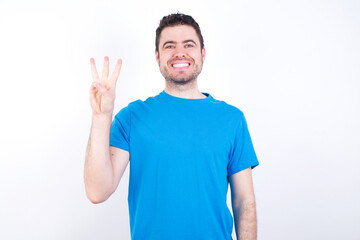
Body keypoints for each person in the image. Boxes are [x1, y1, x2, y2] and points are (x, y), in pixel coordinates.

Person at [85, 13, 259, 240]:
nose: (180, 52)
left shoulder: (232, 119)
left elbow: (244, 201)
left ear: (202, 53)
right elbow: (97, 191)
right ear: (157, 56)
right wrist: (101, 116)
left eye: (189, 44)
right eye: (169, 46)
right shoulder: (132, 117)